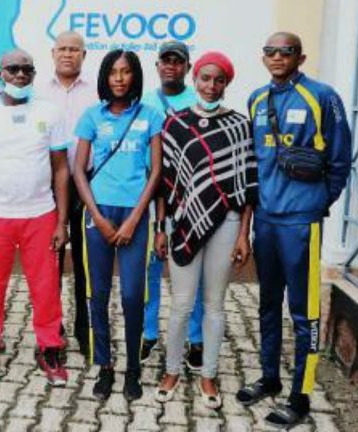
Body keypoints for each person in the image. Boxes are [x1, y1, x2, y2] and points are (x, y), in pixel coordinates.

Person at [236, 32, 351, 428]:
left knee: (304, 314)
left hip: (302, 223)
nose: (277, 56)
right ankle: (269, 378)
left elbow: (339, 160)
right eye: (270, 51)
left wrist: (318, 204)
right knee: (268, 304)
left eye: (286, 51)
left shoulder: (322, 96)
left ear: (300, 56)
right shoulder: (256, 98)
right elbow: (253, 163)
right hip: (266, 221)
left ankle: (300, 396)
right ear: (262, 57)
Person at [153, 52, 257, 409]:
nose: (211, 86)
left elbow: (248, 184)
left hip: (226, 222)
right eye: (205, 78)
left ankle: (209, 375)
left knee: (214, 304)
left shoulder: (241, 125)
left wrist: (245, 233)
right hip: (181, 221)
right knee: (181, 305)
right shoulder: (175, 124)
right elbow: (165, 183)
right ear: (194, 79)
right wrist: (161, 228)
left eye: (219, 80)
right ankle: (171, 370)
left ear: (226, 84)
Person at [0, 49, 69, 387]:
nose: (20, 75)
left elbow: (61, 168)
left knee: (46, 287)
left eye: (27, 69)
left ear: (34, 74)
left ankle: (50, 347)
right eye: (13, 69)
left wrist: (61, 222)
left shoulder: (49, 112)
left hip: (40, 215)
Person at [72, 49, 162, 401]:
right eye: (113, 72)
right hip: (98, 214)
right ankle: (105, 366)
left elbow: (156, 171)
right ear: (105, 77)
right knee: (98, 294)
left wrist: (136, 219)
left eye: (125, 72)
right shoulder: (91, 116)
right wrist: (96, 217)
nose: (119, 78)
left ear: (135, 76)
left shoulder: (150, 115)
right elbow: (79, 169)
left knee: (131, 295)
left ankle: (134, 371)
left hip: (135, 215)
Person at [140, 41, 205, 367]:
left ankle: (196, 339)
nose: (170, 66)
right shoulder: (146, 102)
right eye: (165, 61)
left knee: (194, 274)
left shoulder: (199, 100)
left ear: (187, 67)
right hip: (153, 196)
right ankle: (148, 333)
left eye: (177, 62)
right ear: (157, 66)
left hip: (190, 201)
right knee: (151, 268)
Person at [35, 30, 98, 355]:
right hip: (48, 185)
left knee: (87, 262)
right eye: (62, 49)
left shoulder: (96, 93)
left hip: (87, 184)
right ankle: (51, 330)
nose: (68, 54)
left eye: (75, 49)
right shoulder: (37, 92)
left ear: (84, 56)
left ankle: (85, 328)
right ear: (53, 53)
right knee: (51, 263)